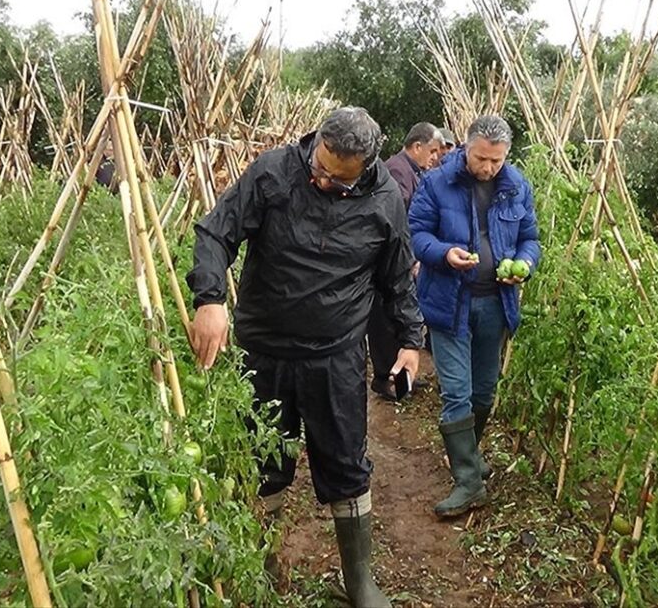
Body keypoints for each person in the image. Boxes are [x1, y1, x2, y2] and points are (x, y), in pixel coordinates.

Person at [186, 107, 423, 608]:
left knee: (345, 463)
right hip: (262, 350)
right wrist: (209, 299)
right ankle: (261, 563)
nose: (321, 179)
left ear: (364, 168)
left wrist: (409, 340)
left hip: (334, 357)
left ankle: (359, 581)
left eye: (336, 180)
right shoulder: (274, 172)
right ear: (317, 144)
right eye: (318, 166)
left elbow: (396, 277)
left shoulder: (385, 201)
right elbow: (215, 232)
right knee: (259, 462)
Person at [407, 115, 540, 518]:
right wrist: (444, 254)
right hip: (450, 301)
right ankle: (468, 480)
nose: (488, 168)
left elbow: (530, 239)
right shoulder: (437, 182)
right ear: (466, 148)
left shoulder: (516, 186)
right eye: (482, 158)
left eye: (496, 161)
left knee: (484, 389)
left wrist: (522, 262)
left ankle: (468, 454)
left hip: (496, 303)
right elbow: (417, 235)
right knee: (457, 392)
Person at [367, 122, 442, 400]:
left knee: (398, 318)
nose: (435, 157)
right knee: (385, 320)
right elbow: (397, 219)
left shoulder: (413, 171)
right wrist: (408, 256)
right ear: (417, 146)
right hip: (388, 258)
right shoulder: (398, 170)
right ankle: (384, 378)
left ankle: (401, 377)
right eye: (432, 151)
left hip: (398, 256)